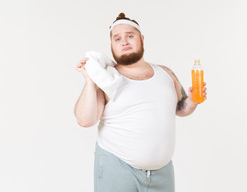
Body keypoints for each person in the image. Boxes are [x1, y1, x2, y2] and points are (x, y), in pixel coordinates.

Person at [74, 13, 207, 192]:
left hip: (162, 173)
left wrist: (192, 100)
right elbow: (85, 120)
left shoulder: (166, 73)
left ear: (142, 39)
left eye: (130, 36)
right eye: (117, 39)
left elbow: (181, 108)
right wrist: (90, 81)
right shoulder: (108, 79)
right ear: (112, 45)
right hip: (117, 169)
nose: (124, 42)